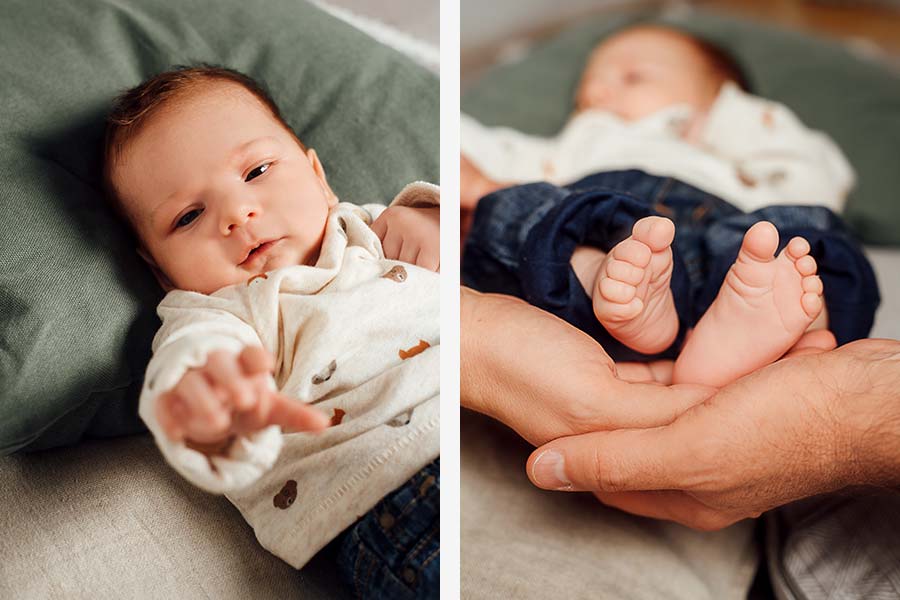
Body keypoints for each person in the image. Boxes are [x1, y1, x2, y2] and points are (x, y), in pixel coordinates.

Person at [103, 65, 439, 599]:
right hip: (396, 487)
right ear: (160, 270)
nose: (237, 213)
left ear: (319, 177)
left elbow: (471, 246)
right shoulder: (222, 312)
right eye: (188, 216)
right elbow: (197, 356)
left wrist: (429, 220)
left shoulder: (368, 228)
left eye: (256, 170)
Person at [460, 24, 879, 388]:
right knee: (532, 215)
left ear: (715, 97)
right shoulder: (575, 145)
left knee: (804, 236)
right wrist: (480, 181)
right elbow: (470, 139)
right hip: (611, 229)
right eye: (588, 88)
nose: (596, 92)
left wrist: (730, 116)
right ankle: (607, 285)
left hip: (731, 239)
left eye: (633, 77)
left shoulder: (732, 146)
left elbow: (819, 178)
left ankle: (771, 323)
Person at [460, 288, 900, 531]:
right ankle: (718, 359)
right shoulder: (573, 145)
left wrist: (844, 411)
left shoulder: (769, 132)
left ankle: (712, 349)